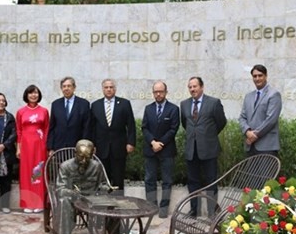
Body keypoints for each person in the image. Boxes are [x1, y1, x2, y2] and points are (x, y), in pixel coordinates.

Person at [180, 76, 227, 217]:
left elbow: (221, 122)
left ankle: (212, 212)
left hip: (209, 149)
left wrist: (208, 136)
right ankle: (194, 211)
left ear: (202, 87)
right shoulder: (184, 104)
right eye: (190, 87)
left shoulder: (213, 103)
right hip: (191, 150)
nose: (192, 89)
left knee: (211, 181)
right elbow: (185, 124)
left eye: (195, 86)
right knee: (193, 182)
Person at [54, 139, 105, 234]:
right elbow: (60, 189)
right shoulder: (66, 166)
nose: (83, 161)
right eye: (80, 157)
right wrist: (72, 193)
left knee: (114, 201)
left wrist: (106, 188)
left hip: (91, 198)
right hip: (73, 199)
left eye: (87, 157)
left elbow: (101, 184)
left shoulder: (96, 166)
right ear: (75, 153)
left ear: (92, 155)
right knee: (63, 201)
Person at [141, 80, 180, 218]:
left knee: (167, 180)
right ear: (153, 93)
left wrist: (160, 143)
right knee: (150, 179)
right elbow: (144, 127)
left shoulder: (173, 109)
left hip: (167, 150)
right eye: (156, 92)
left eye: (161, 91)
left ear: (166, 92)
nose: (158, 94)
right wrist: (152, 142)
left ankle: (164, 209)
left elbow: (173, 129)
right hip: (150, 149)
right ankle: (151, 207)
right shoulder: (148, 108)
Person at [90, 78, 136, 193]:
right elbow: (92, 127)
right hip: (101, 148)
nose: (109, 89)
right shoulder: (95, 105)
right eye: (106, 87)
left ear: (115, 89)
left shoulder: (125, 103)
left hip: (119, 147)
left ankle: (118, 204)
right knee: (102, 179)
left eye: (111, 87)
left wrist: (131, 142)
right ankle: (104, 205)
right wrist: (93, 145)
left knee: (118, 178)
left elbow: (131, 124)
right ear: (103, 89)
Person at [16, 84, 49, 213]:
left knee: (38, 172)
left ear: (38, 95)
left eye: (35, 93)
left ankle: (39, 203)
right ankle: (27, 203)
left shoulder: (44, 111)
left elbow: (47, 129)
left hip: (39, 145)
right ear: (26, 95)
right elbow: (18, 131)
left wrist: (46, 146)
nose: (33, 95)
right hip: (25, 146)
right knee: (26, 173)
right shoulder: (20, 112)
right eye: (30, 93)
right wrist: (18, 148)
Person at [238, 64, 282, 157]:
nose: (257, 78)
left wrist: (255, 135)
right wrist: (247, 132)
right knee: (250, 172)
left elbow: (271, 120)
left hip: (267, 147)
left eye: (260, 75)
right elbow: (242, 117)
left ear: (266, 76)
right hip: (250, 146)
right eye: (254, 76)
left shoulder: (274, 94)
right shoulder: (248, 96)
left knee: (268, 172)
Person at [47, 76, 91, 154]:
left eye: (69, 86)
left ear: (74, 88)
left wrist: (85, 146)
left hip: (77, 147)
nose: (66, 88)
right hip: (59, 147)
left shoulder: (84, 104)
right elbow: (52, 127)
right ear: (61, 88)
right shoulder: (55, 104)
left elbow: (86, 127)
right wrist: (50, 147)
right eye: (64, 86)